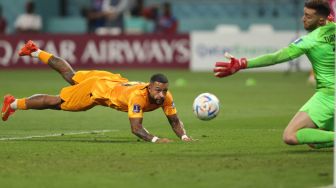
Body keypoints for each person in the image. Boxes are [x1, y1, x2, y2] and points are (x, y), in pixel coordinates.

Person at [1, 40, 193, 143]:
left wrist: (184, 137)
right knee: (57, 103)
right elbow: (136, 129)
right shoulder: (138, 98)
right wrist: (156, 140)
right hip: (97, 90)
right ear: (150, 87)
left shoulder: (165, 97)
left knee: (71, 75)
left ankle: (34, 50)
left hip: (109, 79)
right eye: (158, 90)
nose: (161, 95)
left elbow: (174, 120)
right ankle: (13, 103)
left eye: (164, 91)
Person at [213, 0, 335, 149]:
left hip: (328, 96)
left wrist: (243, 63)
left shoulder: (310, 40)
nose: (303, 19)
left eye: (308, 16)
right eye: (304, 14)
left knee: (290, 136)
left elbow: (276, 57)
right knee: (314, 141)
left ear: (321, 20)